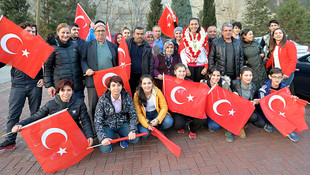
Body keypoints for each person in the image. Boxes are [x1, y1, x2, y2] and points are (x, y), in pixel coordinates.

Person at [11, 79, 94, 147]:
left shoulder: (79, 103)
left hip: (74, 130)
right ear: (58, 92)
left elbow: (85, 121)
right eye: (62, 90)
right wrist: (20, 124)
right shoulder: (51, 104)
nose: (66, 93)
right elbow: (35, 117)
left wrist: (89, 135)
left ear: (72, 91)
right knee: (51, 150)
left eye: (69, 90)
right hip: (57, 131)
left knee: (82, 146)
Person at [0, 22, 44, 150]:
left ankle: (36, 139)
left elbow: (49, 64)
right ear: (21, 32)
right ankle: (10, 140)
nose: (31, 33)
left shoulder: (39, 46)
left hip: (34, 84)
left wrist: (44, 79)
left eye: (33, 31)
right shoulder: (13, 46)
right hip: (17, 85)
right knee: (13, 114)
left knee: (35, 113)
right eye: (28, 31)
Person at [81, 20, 118, 122]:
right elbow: (82, 59)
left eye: (103, 30)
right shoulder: (87, 45)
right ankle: (94, 129)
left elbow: (117, 62)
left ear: (106, 32)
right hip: (93, 81)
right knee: (93, 106)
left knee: (109, 104)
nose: (100, 33)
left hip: (109, 82)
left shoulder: (113, 46)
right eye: (98, 31)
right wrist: (86, 69)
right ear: (94, 32)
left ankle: (108, 126)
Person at [94, 76, 139, 153]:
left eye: (119, 85)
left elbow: (133, 114)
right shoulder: (103, 100)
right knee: (105, 149)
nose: (116, 88)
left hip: (122, 123)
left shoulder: (126, 96)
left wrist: (133, 130)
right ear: (109, 88)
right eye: (113, 85)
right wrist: (103, 138)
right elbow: (97, 120)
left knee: (135, 139)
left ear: (122, 86)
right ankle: (111, 137)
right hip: (108, 126)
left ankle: (121, 135)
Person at [258, 68, 299, 142]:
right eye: (274, 77)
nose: (277, 79)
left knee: (296, 107)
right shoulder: (264, 89)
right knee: (275, 121)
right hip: (267, 111)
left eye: (279, 77)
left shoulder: (284, 88)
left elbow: (287, 101)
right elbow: (263, 106)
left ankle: (289, 130)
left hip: (280, 110)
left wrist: (292, 99)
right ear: (270, 77)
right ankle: (269, 123)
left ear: (282, 77)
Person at [44, 23, 84, 99]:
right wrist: (49, 85)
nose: (65, 35)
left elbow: (80, 63)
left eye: (68, 33)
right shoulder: (52, 47)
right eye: (63, 32)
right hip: (61, 87)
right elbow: (48, 67)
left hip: (76, 85)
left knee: (78, 108)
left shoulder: (75, 46)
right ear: (58, 32)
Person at [200, 66, 234, 142]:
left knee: (231, 111)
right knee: (214, 127)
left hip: (221, 108)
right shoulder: (203, 83)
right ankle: (211, 123)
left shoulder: (224, 84)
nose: (216, 78)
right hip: (208, 110)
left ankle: (229, 130)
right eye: (213, 75)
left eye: (218, 75)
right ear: (209, 75)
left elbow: (230, 98)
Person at [231, 66, 265, 139]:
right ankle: (241, 127)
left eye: (250, 75)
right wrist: (232, 94)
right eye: (246, 75)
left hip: (247, 108)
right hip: (236, 108)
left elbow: (254, 98)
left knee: (261, 123)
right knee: (253, 116)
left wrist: (256, 101)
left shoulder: (253, 86)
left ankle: (244, 123)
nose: (248, 78)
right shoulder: (234, 83)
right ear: (241, 76)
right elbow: (226, 94)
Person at [172, 63, 205, 138]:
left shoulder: (190, 82)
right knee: (178, 125)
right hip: (178, 110)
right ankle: (182, 123)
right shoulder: (170, 82)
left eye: (183, 71)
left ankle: (192, 127)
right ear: (175, 72)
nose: (182, 73)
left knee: (202, 119)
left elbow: (195, 97)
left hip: (189, 108)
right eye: (179, 71)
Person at [126, 27, 154, 95]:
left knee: (141, 95)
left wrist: (150, 77)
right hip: (129, 75)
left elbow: (151, 63)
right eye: (137, 34)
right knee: (129, 94)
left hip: (142, 75)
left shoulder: (147, 47)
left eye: (141, 34)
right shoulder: (127, 44)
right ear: (133, 34)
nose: (139, 36)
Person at [180, 18, 209, 82]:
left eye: (196, 24)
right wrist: (186, 68)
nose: (194, 26)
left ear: (199, 25)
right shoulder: (185, 37)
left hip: (201, 66)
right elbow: (182, 53)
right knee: (190, 86)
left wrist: (206, 67)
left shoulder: (203, 36)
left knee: (200, 86)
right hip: (189, 66)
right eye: (192, 24)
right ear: (189, 26)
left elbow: (206, 52)